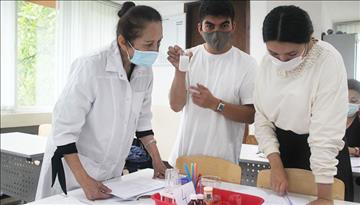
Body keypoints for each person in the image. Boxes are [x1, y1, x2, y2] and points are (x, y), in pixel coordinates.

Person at [36, 2, 167, 200]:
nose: (155, 51)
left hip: (111, 173)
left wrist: (157, 161)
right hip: (75, 174)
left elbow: (143, 122)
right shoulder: (91, 66)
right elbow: (63, 131)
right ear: (123, 42)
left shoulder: (144, 71)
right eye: (149, 44)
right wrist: (85, 181)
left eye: (159, 42)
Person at [254, 5, 354, 204]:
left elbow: (324, 134)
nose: (282, 60)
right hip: (282, 152)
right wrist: (275, 164)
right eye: (274, 53)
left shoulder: (327, 60)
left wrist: (325, 197)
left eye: (291, 54)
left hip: (324, 157)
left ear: (309, 39)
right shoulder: (266, 64)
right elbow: (262, 118)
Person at [167, 0, 257, 166]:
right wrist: (180, 71)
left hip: (223, 163)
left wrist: (216, 104)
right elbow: (175, 105)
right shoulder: (188, 57)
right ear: (200, 28)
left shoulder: (247, 64)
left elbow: (250, 115)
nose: (217, 32)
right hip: (184, 158)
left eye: (224, 25)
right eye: (210, 26)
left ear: (233, 26)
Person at [346, 79, 360, 157]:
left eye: (353, 101)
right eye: (344, 100)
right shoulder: (331, 119)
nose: (348, 104)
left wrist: (353, 150)